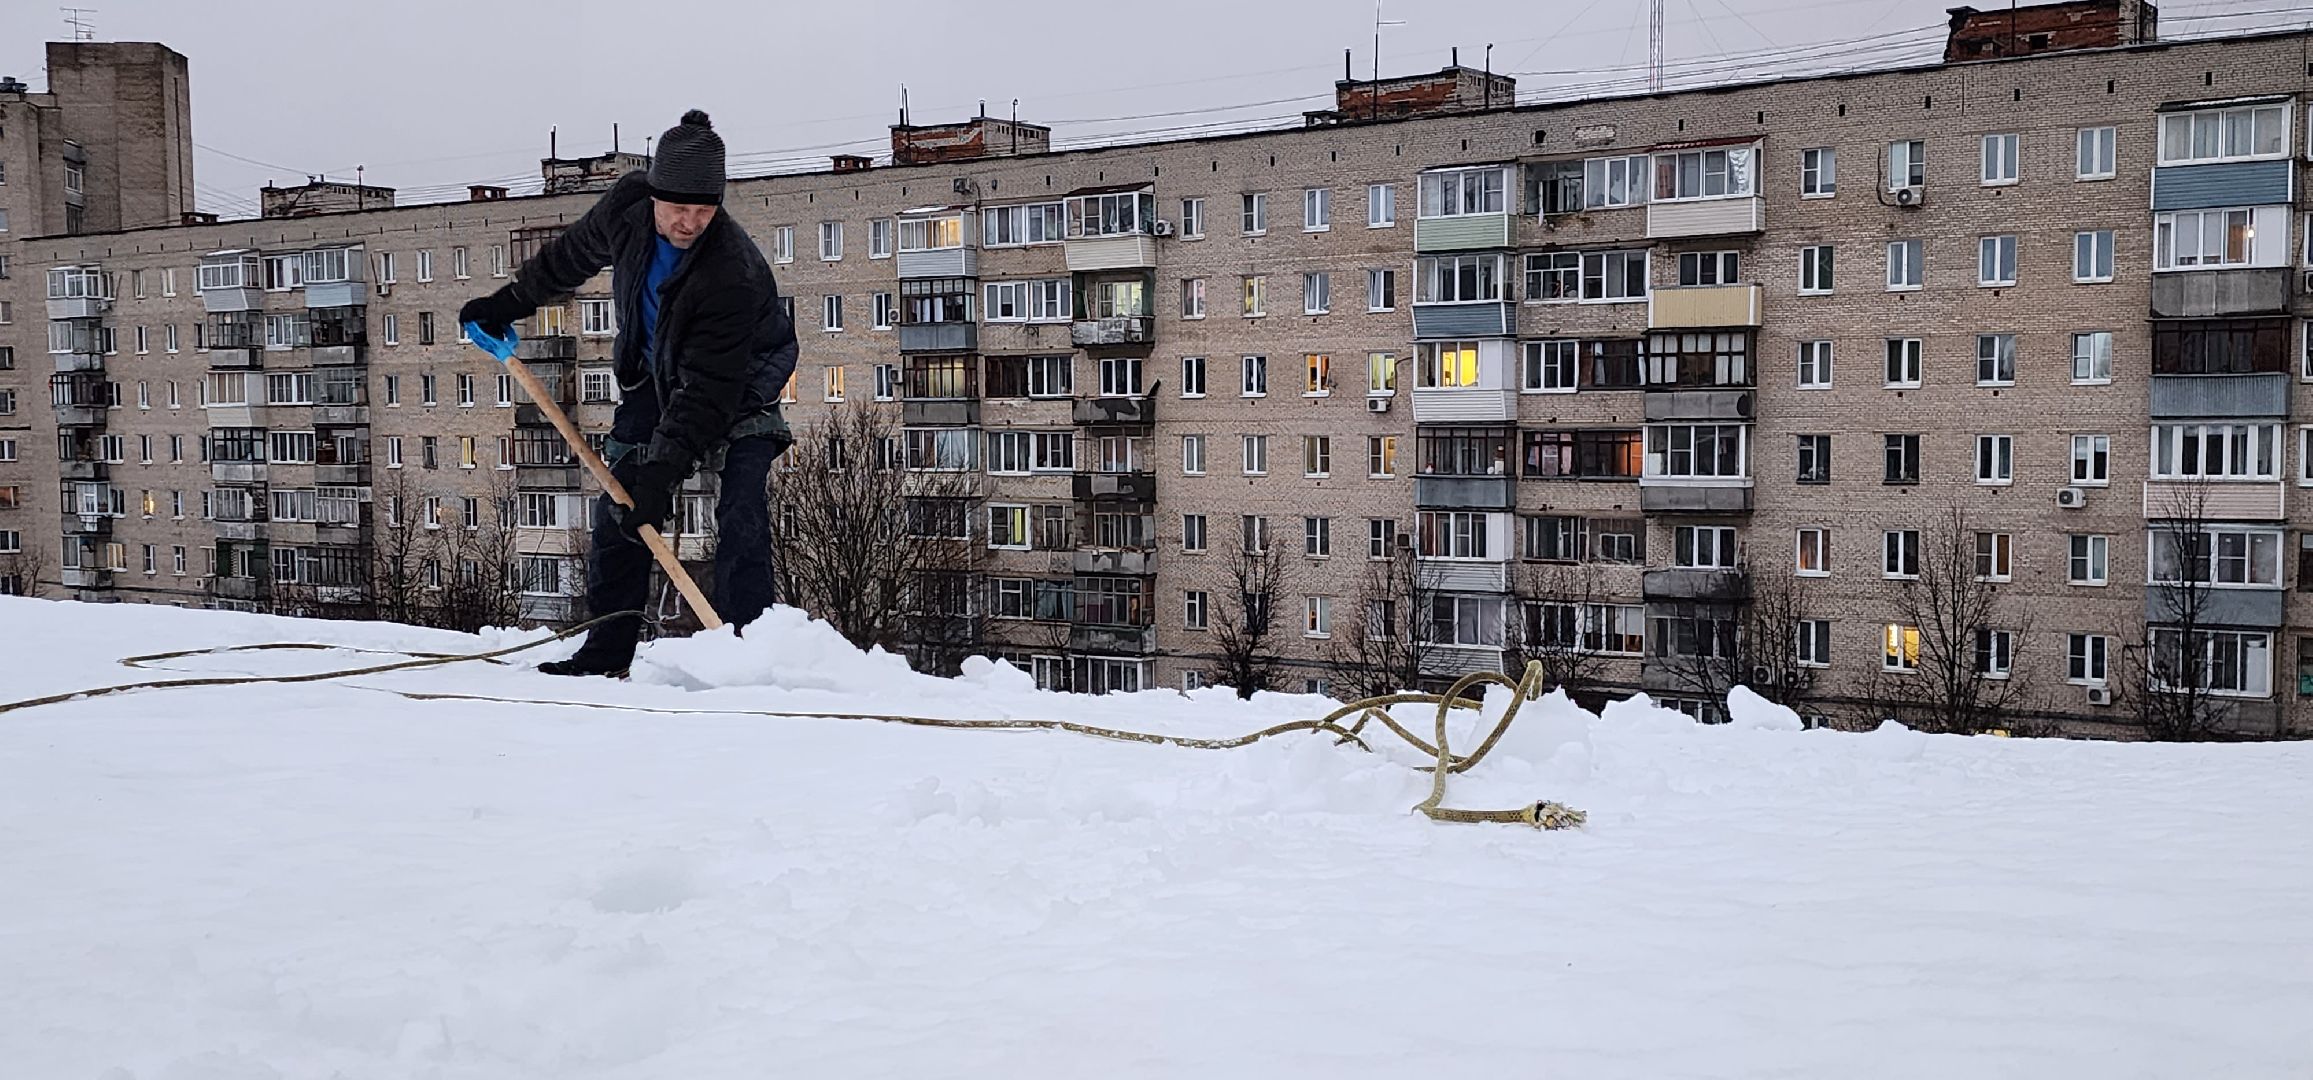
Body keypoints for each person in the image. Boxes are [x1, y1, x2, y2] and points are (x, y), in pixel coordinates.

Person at [459, 109, 796, 678]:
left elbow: (708, 392)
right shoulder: (627, 206)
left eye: (704, 210)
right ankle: (606, 652)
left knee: (741, 507)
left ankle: (748, 652)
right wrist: (508, 303)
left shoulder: (730, 270)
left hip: (740, 382)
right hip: (653, 372)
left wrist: (661, 475)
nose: (690, 223)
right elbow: (569, 257)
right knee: (620, 505)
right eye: (678, 208)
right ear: (654, 195)